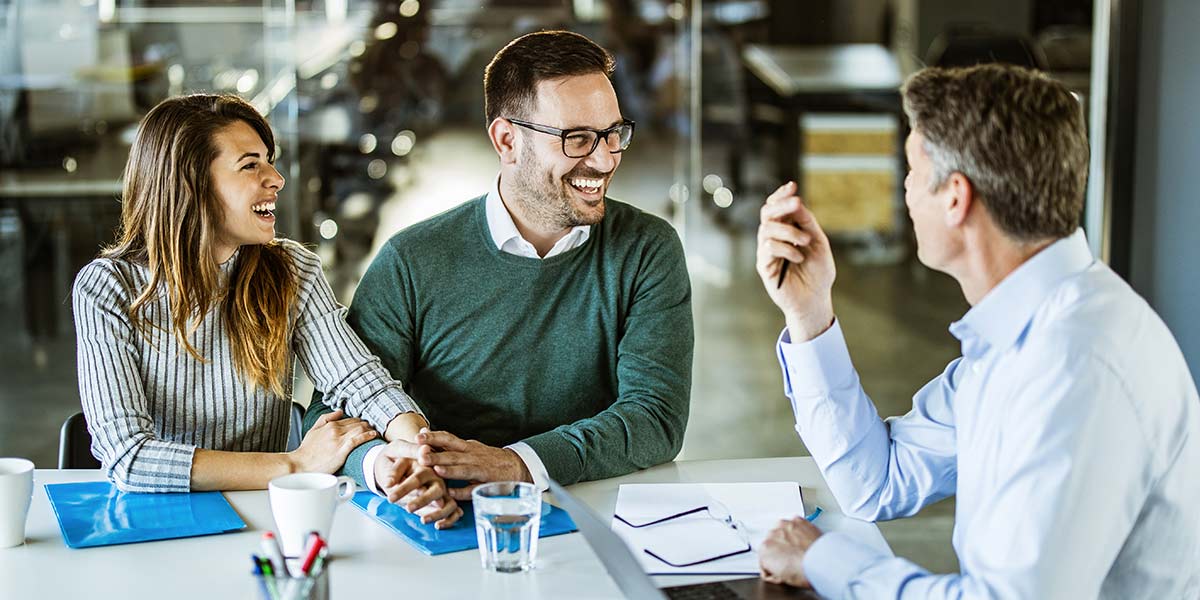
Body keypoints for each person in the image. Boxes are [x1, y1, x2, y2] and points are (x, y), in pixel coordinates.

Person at [754, 64, 1200, 598]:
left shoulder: (1076, 363)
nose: (905, 188)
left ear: (955, 198)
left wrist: (824, 558)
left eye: (913, 169)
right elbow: (877, 481)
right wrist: (810, 314)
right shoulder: (1021, 334)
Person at [305, 30, 693, 503]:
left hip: (589, 507)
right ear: (507, 140)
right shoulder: (412, 260)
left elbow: (655, 418)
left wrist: (518, 464)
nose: (606, 157)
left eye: (614, 134)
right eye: (578, 139)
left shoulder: (647, 249)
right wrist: (385, 467)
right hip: (439, 514)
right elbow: (332, 417)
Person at [73, 93, 460, 528]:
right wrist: (293, 465)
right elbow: (128, 455)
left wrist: (417, 451)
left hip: (263, 516)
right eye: (250, 164)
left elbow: (358, 381)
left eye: (269, 161)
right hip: (157, 520)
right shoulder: (108, 288)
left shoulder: (293, 269)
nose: (275, 178)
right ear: (192, 182)